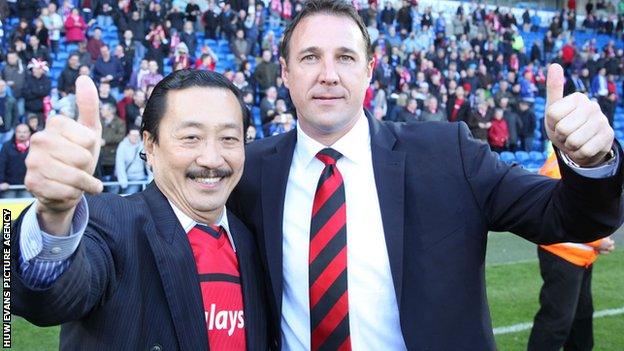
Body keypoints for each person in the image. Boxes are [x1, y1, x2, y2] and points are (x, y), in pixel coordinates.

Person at [228, 1, 622, 350]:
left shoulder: (448, 153)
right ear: (284, 71)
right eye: (310, 57)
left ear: (369, 70)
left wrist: (591, 161)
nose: (328, 74)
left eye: (345, 57)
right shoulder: (249, 170)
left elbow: (570, 216)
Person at [11, 71, 268, 349]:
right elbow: (49, 298)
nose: (211, 159)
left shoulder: (255, 239)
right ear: (150, 145)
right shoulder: (113, 223)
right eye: (191, 137)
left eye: (229, 138)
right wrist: (54, 216)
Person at [528, 150, 616, 351]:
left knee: (580, 320)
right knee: (557, 322)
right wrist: (598, 241)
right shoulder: (562, 167)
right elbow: (567, 216)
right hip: (563, 255)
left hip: (577, 255)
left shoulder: (566, 161)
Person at [115, 126, 151, 195]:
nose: (135, 137)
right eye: (133, 135)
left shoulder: (142, 145)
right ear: (128, 135)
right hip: (126, 177)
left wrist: (151, 176)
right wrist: (123, 180)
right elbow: (120, 164)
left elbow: (147, 161)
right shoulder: (122, 146)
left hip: (139, 177)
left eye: (137, 135)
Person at [0, 123, 31, 198]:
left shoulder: (34, 147)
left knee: (28, 208)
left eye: (24, 132)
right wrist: (1, 182)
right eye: (19, 132)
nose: (22, 134)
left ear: (29, 133)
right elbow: (1, 164)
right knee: (7, 209)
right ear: (15, 132)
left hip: (27, 186)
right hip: (9, 186)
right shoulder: (7, 146)